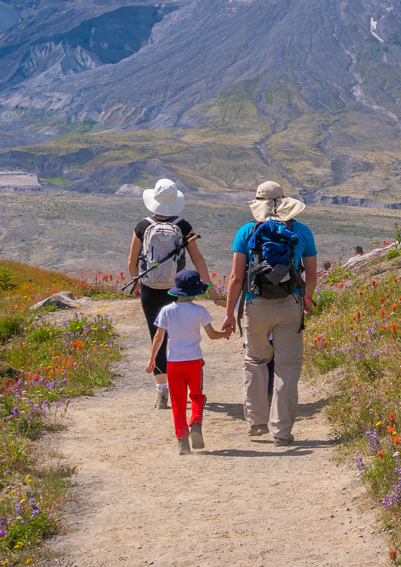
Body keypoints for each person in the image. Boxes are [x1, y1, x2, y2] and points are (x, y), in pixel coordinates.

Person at [222, 180, 316, 446]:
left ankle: (257, 422)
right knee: (287, 368)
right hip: (290, 304)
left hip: (256, 303)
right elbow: (311, 273)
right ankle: (282, 431)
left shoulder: (247, 231)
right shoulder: (302, 231)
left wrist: (230, 313)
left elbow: (236, 278)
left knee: (255, 360)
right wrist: (307, 297)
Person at [126, 178, 211, 410]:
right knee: (181, 337)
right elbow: (197, 258)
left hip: (151, 288)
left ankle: (162, 392)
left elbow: (131, 262)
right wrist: (209, 287)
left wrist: (137, 284)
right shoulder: (184, 226)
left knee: (157, 336)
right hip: (178, 288)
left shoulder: (142, 226)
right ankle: (185, 386)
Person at [149, 269, 230, 454]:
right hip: (193, 361)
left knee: (177, 403)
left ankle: (182, 441)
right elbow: (212, 335)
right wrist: (225, 333)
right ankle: (195, 424)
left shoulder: (166, 311)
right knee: (197, 395)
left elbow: (158, 338)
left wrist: (152, 359)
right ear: (195, 293)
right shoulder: (200, 311)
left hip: (173, 363)